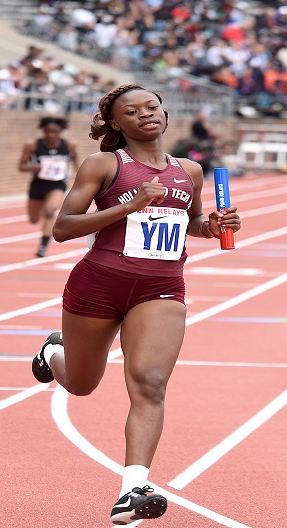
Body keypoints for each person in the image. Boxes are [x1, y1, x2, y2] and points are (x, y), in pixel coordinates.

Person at [29, 84, 241, 525]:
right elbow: (64, 228)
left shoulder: (190, 171)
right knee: (83, 384)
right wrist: (131, 204)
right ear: (116, 123)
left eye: (152, 107)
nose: (146, 115)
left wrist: (211, 226)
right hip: (98, 286)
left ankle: (133, 487)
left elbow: (192, 221)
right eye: (133, 111)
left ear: (164, 114)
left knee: (150, 383)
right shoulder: (105, 164)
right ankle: (54, 351)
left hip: (161, 289)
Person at [18, 116, 78, 257]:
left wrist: (79, 178)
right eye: (48, 132)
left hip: (57, 184)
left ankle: (43, 247)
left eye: (54, 132)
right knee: (34, 219)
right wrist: (32, 168)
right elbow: (21, 166)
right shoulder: (32, 145)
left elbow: (78, 164)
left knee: (50, 211)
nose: (51, 135)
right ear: (43, 131)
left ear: (60, 132)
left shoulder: (69, 146)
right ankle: (41, 217)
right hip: (38, 185)